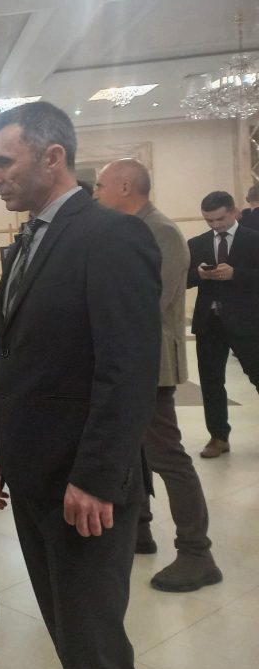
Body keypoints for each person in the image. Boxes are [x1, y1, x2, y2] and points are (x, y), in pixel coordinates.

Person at [0, 102, 161, 669]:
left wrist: (97, 478)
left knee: (93, 646)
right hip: (33, 476)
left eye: (4, 162)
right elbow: (11, 357)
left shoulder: (112, 235)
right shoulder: (29, 240)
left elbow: (128, 369)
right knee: (65, 630)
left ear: (53, 157)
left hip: (83, 483)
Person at [94, 158, 221, 592]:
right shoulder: (132, 229)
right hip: (129, 362)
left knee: (167, 456)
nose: (96, 193)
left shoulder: (160, 231)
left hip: (150, 364)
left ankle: (197, 553)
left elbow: (147, 304)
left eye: (101, 185)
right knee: (135, 453)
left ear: (125, 187)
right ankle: (139, 530)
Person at [187, 190, 259, 458]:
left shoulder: (253, 240)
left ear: (233, 212)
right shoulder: (197, 243)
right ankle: (218, 437)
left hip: (247, 322)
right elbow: (183, 279)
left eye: (220, 219)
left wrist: (235, 274)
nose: (215, 225)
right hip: (209, 323)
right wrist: (199, 274)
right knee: (211, 382)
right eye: (209, 220)